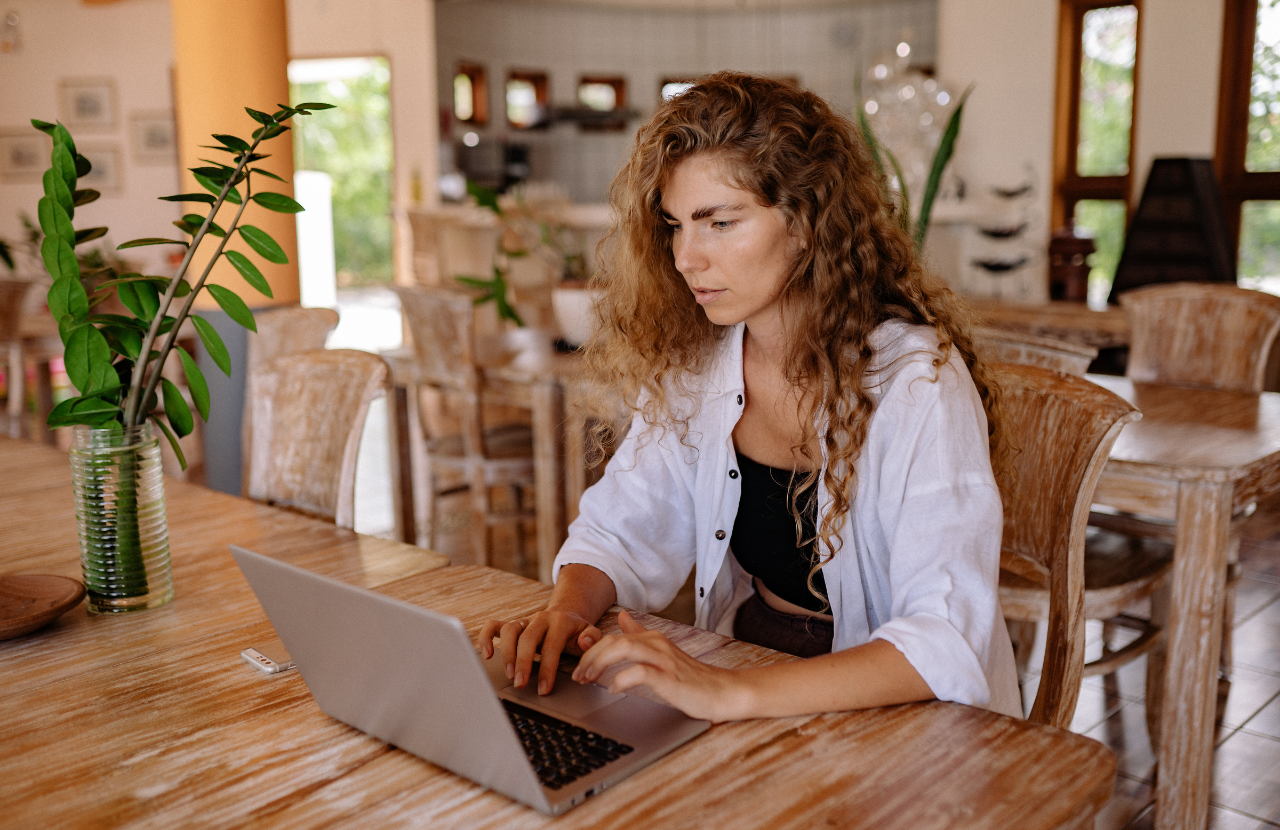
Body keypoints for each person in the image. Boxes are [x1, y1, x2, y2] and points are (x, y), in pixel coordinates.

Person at [480, 71, 1022, 722]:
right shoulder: (702, 363)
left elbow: (946, 638)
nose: (686, 257)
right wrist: (565, 615)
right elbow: (621, 529)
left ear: (805, 222)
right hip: (756, 665)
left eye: (719, 222)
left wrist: (726, 693)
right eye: (676, 225)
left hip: (896, 707)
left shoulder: (916, 383)